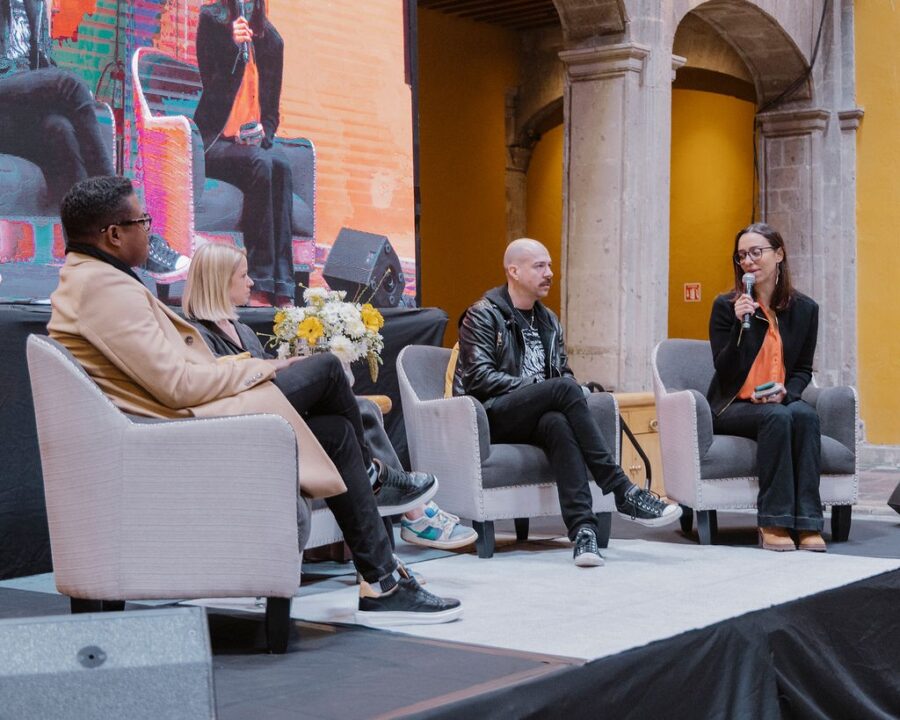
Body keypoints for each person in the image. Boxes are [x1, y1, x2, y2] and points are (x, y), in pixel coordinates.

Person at [48, 176, 462, 625]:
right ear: (113, 234)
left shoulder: (95, 280)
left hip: (185, 419)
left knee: (339, 433)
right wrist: (261, 368)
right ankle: (374, 477)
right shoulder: (104, 289)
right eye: (143, 220)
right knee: (324, 369)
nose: (151, 230)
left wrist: (255, 366)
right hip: (186, 426)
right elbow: (178, 387)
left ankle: (383, 582)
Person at [182, 242, 477, 551]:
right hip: (248, 422)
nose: (252, 283)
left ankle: (399, 506)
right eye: (243, 276)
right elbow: (216, 381)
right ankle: (408, 509)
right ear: (218, 281)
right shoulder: (193, 334)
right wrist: (279, 365)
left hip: (276, 410)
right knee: (332, 373)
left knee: (361, 408)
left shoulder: (242, 330)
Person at [453, 238, 681, 567]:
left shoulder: (549, 322)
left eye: (550, 265)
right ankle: (621, 490)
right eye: (540, 266)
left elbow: (563, 374)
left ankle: (583, 532)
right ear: (513, 271)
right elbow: (479, 379)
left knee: (558, 423)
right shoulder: (482, 315)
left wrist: (566, 387)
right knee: (562, 389)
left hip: (536, 416)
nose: (550, 273)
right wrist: (545, 386)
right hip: (491, 415)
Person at [0, 0, 187, 279]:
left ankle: (86, 265)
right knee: (71, 86)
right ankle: (131, 227)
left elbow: (40, 63)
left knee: (60, 130)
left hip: (18, 114)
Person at [707, 223, 824, 552]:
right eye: (742, 255)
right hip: (733, 405)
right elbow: (724, 369)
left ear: (779, 254)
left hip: (778, 401)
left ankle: (809, 524)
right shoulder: (726, 306)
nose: (748, 261)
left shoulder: (805, 309)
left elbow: (801, 370)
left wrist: (788, 392)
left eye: (756, 252)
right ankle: (773, 521)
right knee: (778, 417)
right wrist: (740, 325)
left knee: (805, 416)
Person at [194, 0, 293, 307]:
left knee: (282, 167)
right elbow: (210, 85)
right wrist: (233, 50)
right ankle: (260, 283)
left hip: (250, 145)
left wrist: (266, 131)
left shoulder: (272, 41)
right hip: (215, 142)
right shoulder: (211, 21)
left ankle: (284, 286)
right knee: (262, 164)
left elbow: (272, 113)